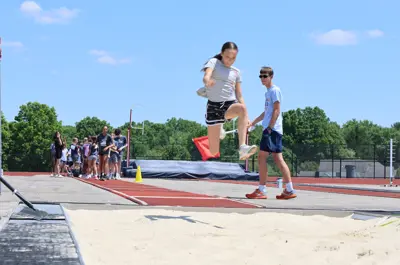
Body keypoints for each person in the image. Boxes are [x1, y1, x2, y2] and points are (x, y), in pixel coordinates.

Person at [245, 66, 296, 200]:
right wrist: (254, 122)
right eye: (260, 76)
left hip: (272, 130)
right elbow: (267, 112)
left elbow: (277, 110)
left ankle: (262, 189)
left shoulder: (275, 91)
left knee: (263, 157)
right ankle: (289, 189)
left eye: (265, 76)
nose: (262, 79)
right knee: (277, 159)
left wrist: (269, 128)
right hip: (271, 129)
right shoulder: (268, 93)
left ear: (271, 77)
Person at [201, 41, 257, 160]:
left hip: (229, 104)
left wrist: (246, 116)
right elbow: (206, 76)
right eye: (227, 57)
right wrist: (207, 81)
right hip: (214, 107)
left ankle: (242, 147)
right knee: (213, 151)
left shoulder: (236, 72)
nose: (230, 60)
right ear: (221, 53)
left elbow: (239, 94)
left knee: (242, 109)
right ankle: (219, 125)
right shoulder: (214, 62)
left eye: (233, 58)